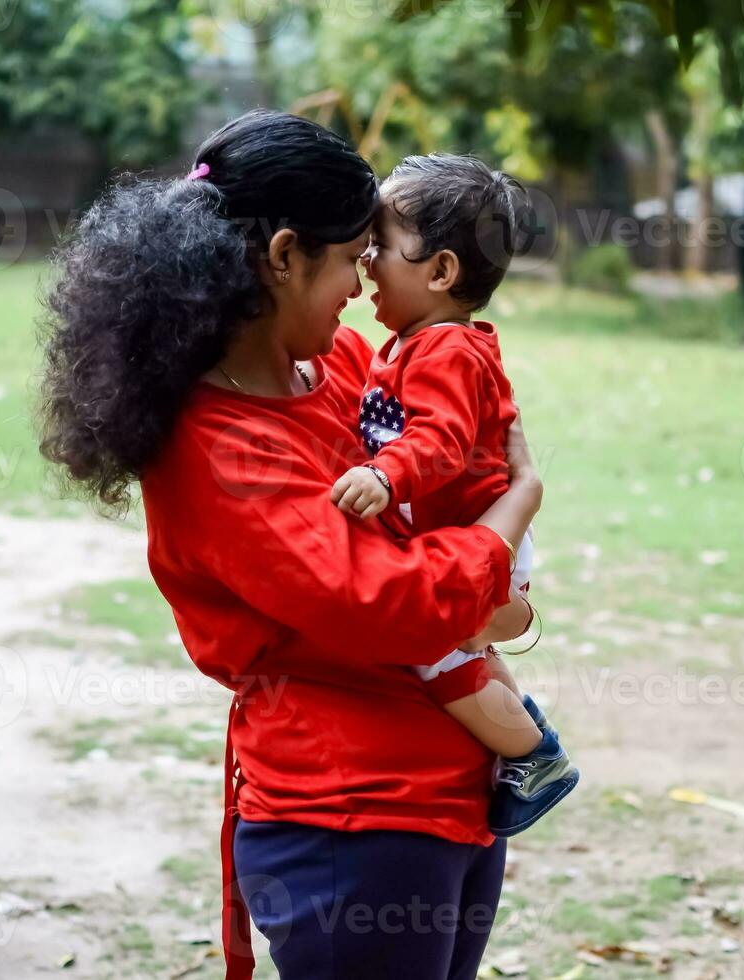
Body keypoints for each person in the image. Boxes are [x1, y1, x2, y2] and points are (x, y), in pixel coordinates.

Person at [36, 110, 543, 980]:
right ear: (281, 256)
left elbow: (457, 495)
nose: (362, 285)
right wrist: (516, 516)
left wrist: (497, 599)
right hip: (354, 822)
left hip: (457, 799)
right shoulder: (213, 447)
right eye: (352, 257)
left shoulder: (343, 365)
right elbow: (393, 604)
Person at [330, 154, 579, 837]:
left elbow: (439, 443)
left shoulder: (448, 351)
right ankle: (526, 747)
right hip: (467, 532)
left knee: (438, 655)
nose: (366, 259)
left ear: (440, 271)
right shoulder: (415, 343)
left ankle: (532, 753)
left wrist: (385, 477)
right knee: (462, 649)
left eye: (380, 245)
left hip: (479, 532)